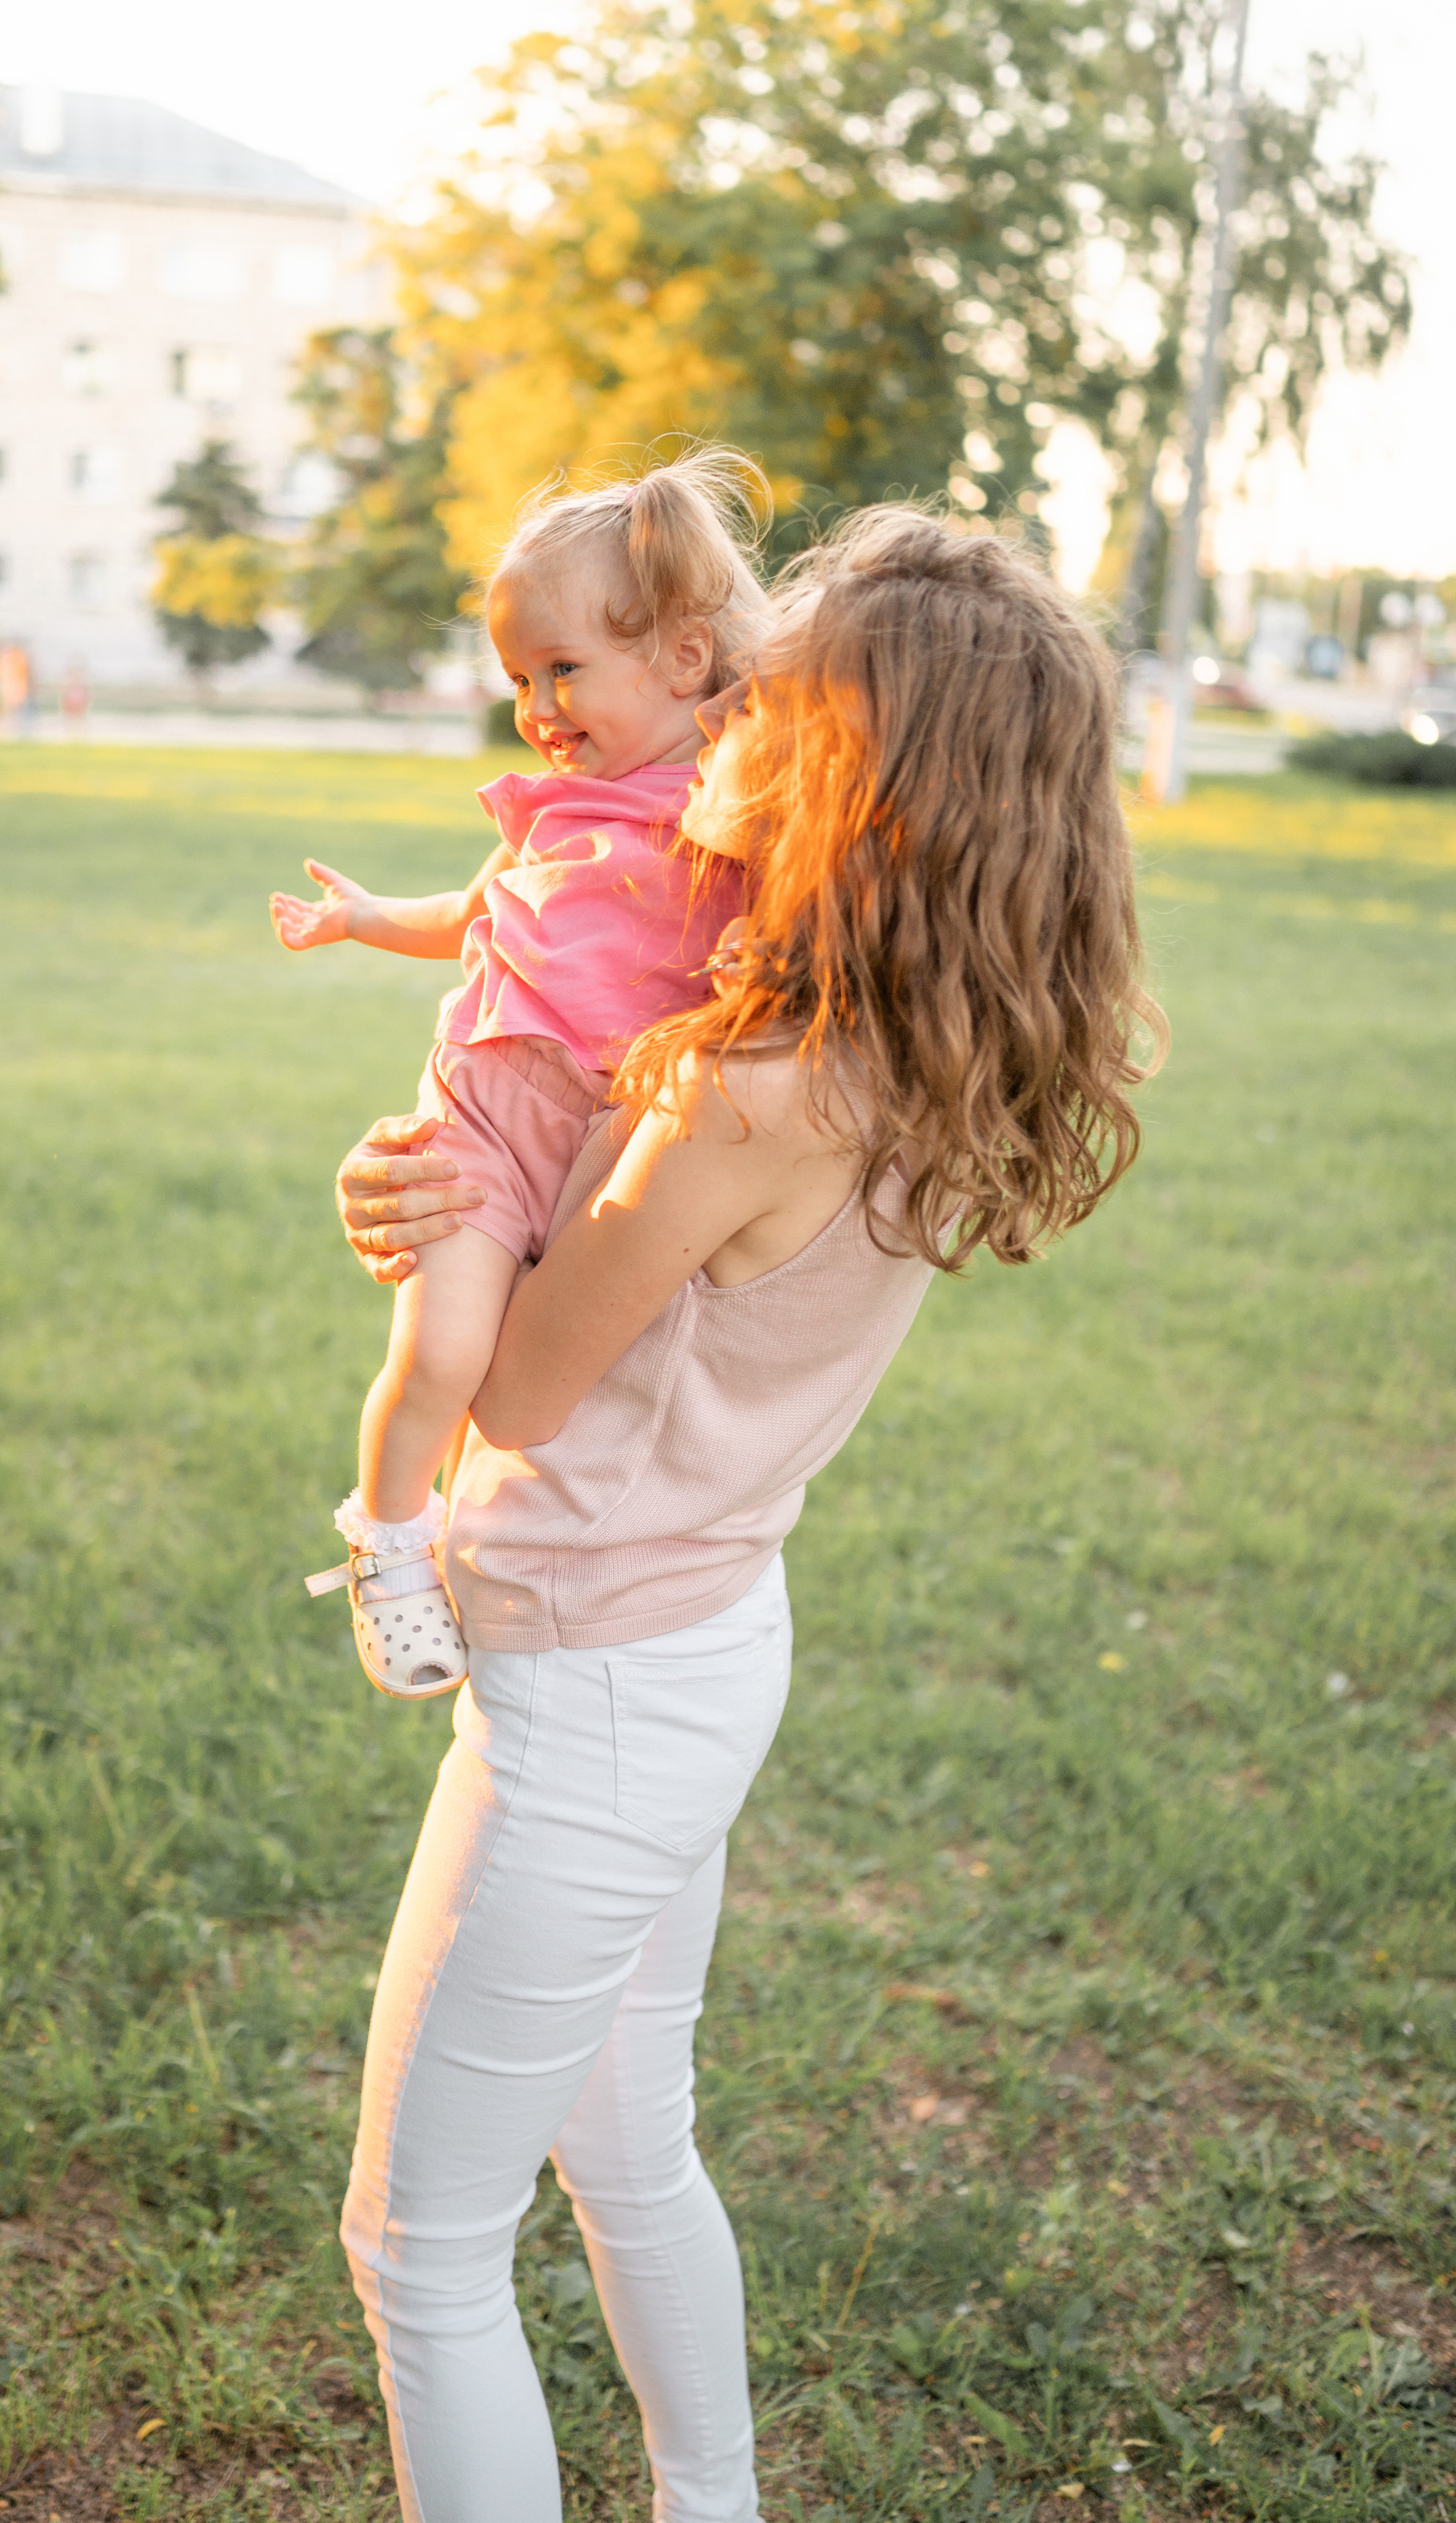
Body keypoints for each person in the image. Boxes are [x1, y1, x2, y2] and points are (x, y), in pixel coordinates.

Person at [324, 507, 1166, 2523]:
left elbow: (518, 1384)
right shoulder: (897, 1030)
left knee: (421, 2249)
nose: (727, 719)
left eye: (775, 699)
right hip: (702, 1644)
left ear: (848, 765)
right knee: (626, 2155)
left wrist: (420, 1212)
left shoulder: (744, 1085)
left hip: (594, 1695)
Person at [269, 452, 770, 1698]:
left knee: (567, 1367)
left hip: (615, 1135)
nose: (536, 706)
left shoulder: (734, 800)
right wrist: (370, 919)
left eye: (562, 670)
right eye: (517, 681)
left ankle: (513, 1550)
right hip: (487, 1109)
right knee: (441, 1356)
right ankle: (388, 1541)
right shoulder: (556, 809)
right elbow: (483, 912)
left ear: (685, 660)